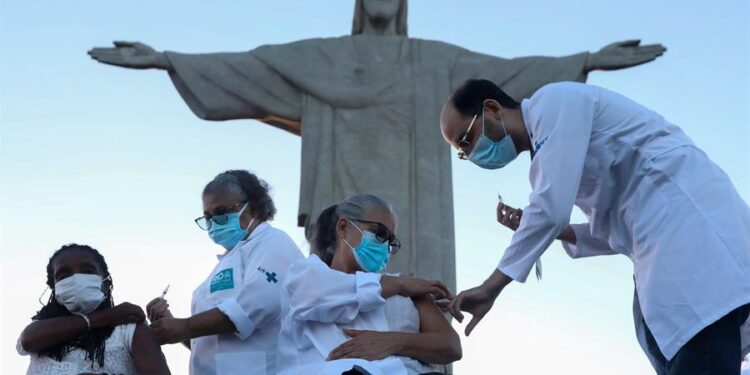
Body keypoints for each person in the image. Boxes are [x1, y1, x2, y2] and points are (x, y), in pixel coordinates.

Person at [439, 79, 750, 374]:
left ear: (492, 108)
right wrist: (554, 229)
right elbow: (614, 229)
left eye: (466, 139)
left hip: (692, 241)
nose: (470, 153)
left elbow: (549, 208)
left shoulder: (553, 104)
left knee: (700, 355)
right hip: (665, 252)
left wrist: (490, 287)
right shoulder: (551, 150)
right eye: (463, 153)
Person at [276, 193, 461, 375]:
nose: (384, 245)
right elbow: (320, 295)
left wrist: (393, 342)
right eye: (378, 233)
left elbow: (450, 345)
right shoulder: (305, 276)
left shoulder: (407, 288)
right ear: (343, 228)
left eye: (390, 241)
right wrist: (401, 284)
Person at [146, 170, 304, 374]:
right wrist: (171, 322)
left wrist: (184, 326)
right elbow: (206, 343)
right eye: (208, 217)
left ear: (254, 209)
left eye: (221, 212)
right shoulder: (226, 262)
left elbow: (253, 308)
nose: (213, 223)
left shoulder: (274, 243)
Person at [17, 243, 171, 375]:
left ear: (106, 283)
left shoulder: (129, 329)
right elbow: (28, 340)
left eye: (87, 271)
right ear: (55, 289)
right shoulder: (43, 329)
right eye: (63, 275)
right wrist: (107, 316)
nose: (76, 279)